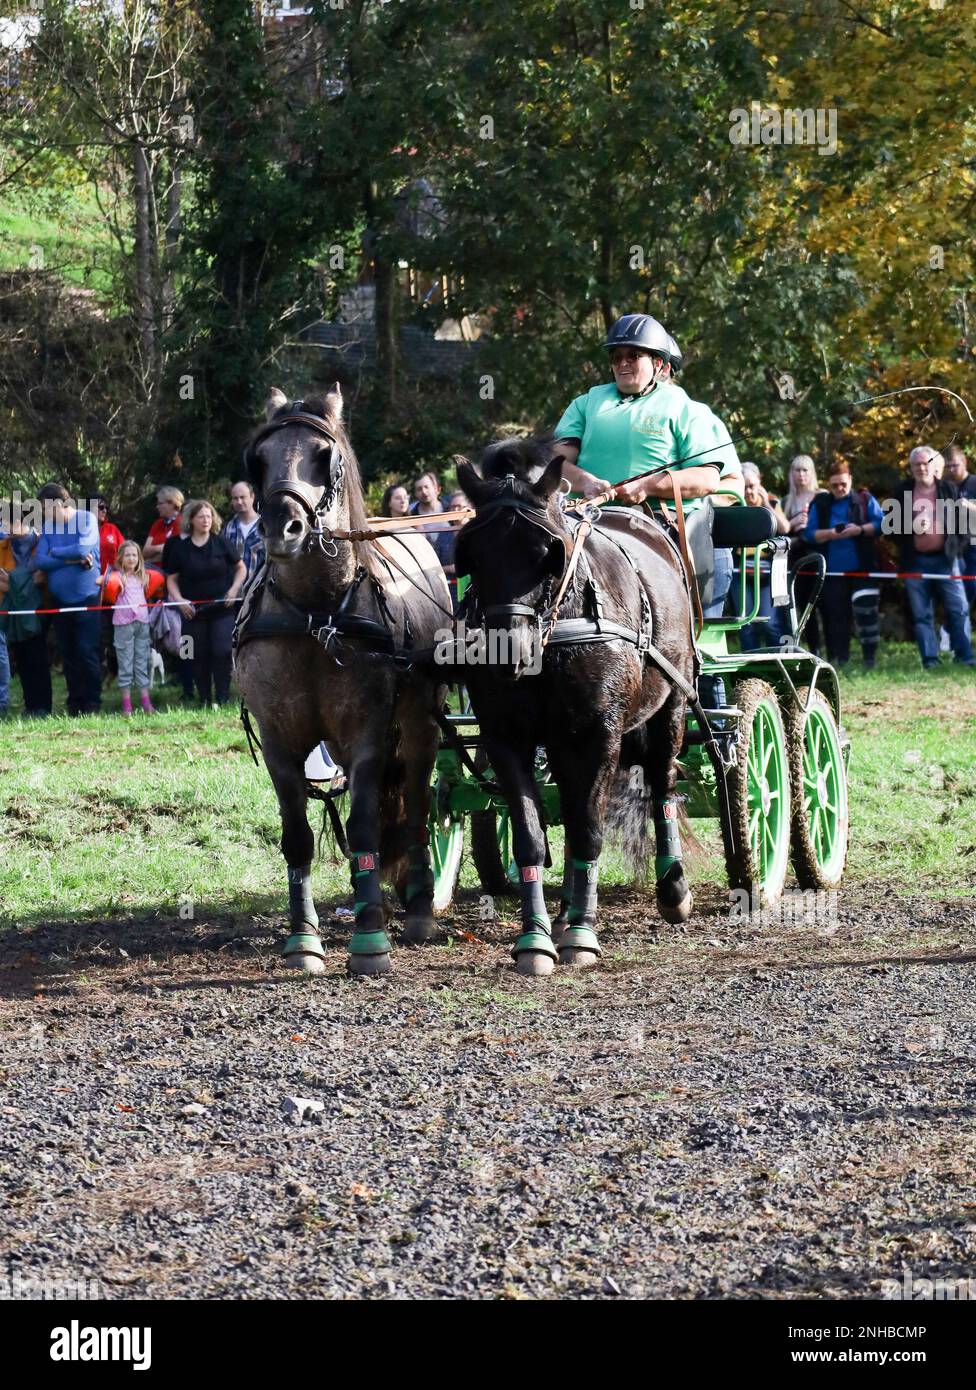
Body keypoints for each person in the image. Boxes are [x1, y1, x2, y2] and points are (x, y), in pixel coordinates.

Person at [552, 312, 743, 711]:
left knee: (693, 645)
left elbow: (707, 477)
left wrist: (648, 486)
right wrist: (586, 481)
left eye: (633, 356)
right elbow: (556, 463)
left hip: (664, 523)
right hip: (591, 520)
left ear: (658, 363)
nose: (622, 363)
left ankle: (709, 707)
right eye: (617, 356)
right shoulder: (587, 403)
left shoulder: (685, 409)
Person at [891, 445, 975, 670]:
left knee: (959, 609)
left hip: (946, 560)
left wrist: (957, 549)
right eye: (916, 464)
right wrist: (912, 525)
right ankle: (930, 660)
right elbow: (888, 528)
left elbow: (964, 524)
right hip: (915, 562)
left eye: (925, 463)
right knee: (922, 614)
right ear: (911, 468)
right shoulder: (902, 491)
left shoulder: (948, 488)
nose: (921, 468)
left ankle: (965, 656)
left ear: (934, 465)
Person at [163, 500, 246, 705]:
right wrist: (179, 600)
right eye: (201, 516)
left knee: (222, 651)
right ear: (191, 520)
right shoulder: (179, 548)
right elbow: (171, 579)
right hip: (192, 612)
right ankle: (204, 698)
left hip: (222, 609)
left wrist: (233, 589)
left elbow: (241, 568)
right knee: (193, 654)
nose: (206, 520)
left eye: (209, 516)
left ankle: (223, 697)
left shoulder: (222, 542)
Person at [805, 462, 884, 668]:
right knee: (836, 617)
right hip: (832, 571)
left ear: (850, 480)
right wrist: (831, 533)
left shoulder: (865, 499)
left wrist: (859, 529)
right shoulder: (820, 503)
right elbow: (809, 534)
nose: (840, 488)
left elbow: (881, 524)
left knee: (867, 614)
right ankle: (841, 660)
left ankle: (870, 660)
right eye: (834, 485)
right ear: (828, 485)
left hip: (863, 568)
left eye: (843, 483)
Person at [32, 482, 102, 714]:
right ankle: (75, 703)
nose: (43, 512)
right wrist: (69, 560)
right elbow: (40, 561)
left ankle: (92, 702)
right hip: (60, 601)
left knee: (86, 650)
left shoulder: (86, 519)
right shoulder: (49, 527)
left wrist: (57, 553)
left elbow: (83, 549)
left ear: (59, 504)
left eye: (45, 507)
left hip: (87, 597)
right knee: (68, 652)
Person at [731, 462, 789, 651]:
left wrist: (765, 504)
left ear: (760, 484)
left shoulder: (771, 502)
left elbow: (785, 528)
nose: (749, 491)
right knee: (746, 623)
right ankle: (750, 664)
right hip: (740, 569)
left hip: (768, 569)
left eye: (753, 486)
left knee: (770, 622)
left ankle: (778, 660)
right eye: (745, 487)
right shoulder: (736, 504)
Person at [103, 541, 160, 714]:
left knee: (142, 662)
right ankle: (127, 706)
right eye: (127, 555)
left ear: (139, 558)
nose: (131, 558)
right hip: (123, 625)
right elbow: (102, 581)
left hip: (142, 623)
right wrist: (106, 579)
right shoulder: (118, 577)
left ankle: (146, 704)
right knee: (125, 664)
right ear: (120, 558)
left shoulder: (143, 577)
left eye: (134, 555)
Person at [781, 453, 822, 653]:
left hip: (818, 557)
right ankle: (804, 650)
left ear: (812, 473)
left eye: (805, 470)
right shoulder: (786, 501)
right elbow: (782, 532)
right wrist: (793, 524)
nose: (801, 474)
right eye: (797, 470)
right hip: (794, 560)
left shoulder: (821, 496)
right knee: (798, 608)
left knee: (819, 607)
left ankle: (825, 651)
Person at [943, 445, 976, 610]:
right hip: (952, 544)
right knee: (955, 588)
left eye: (954, 465)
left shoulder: (974, 483)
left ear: (964, 462)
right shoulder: (945, 486)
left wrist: (970, 506)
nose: (951, 469)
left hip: (973, 544)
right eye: (948, 466)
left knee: (971, 585)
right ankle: (952, 627)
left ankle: (951, 627)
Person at [410, 471, 455, 572]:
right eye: (419, 489)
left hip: (457, 580)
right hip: (426, 581)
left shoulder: (451, 511)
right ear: (415, 493)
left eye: (426, 487)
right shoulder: (411, 519)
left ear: (435, 488)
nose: (424, 492)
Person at [223, 481, 265, 581]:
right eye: (235, 498)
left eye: (242, 497)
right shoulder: (227, 529)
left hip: (257, 590)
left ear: (252, 497)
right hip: (231, 591)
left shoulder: (266, 527)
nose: (239, 502)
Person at [143, 486, 185, 563]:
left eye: (160, 503)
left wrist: (149, 559)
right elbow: (145, 552)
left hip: (167, 571)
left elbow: (173, 554)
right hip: (150, 567)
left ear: (172, 504)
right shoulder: (158, 523)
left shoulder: (181, 523)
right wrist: (159, 548)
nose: (157, 507)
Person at [95, 497, 125, 573]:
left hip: (112, 579)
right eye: (101, 507)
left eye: (106, 508)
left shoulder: (112, 529)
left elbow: (125, 551)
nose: (104, 510)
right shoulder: (81, 530)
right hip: (90, 579)